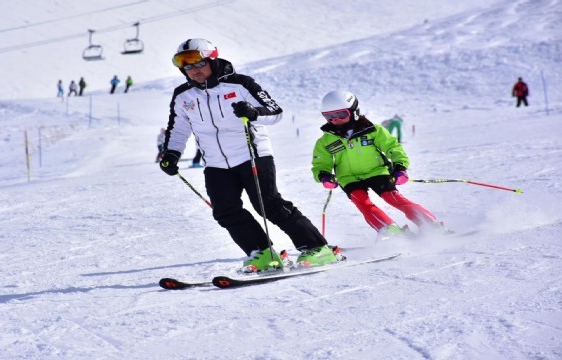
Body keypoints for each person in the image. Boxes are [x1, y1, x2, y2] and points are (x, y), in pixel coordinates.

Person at [159, 38, 342, 272]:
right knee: (225, 211)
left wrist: (253, 113)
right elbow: (178, 128)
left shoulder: (240, 85)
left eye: (198, 64)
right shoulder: (183, 95)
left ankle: (317, 248)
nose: (193, 71)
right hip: (215, 163)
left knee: (269, 205)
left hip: (253, 155)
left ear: (212, 61)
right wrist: (171, 154)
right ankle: (262, 253)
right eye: (186, 67)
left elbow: (275, 112)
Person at [311, 90, 448, 240]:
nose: (336, 119)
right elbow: (321, 162)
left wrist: (400, 167)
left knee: (393, 198)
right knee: (363, 204)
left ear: (354, 111)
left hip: (377, 171)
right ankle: (389, 231)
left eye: (341, 114)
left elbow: (393, 148)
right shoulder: (325, 141)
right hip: (348, 177)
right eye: (330, 116)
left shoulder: (372, 130)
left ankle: (430, 225)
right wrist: (324, 176)